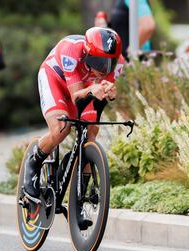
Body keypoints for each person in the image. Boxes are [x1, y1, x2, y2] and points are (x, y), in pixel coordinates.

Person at [23, 27, 125, 230]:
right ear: (87, 54)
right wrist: (94, 89)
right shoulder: (71, 51)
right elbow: (77, 96)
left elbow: (98, 98)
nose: (104, 69)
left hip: (83, 86)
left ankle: (78, 199)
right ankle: (33, 162)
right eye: (98, 62)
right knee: (62, 128)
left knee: (91, 134)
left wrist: (109, 92)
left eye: (109, 62)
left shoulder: (119, 63)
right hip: (57, 80)